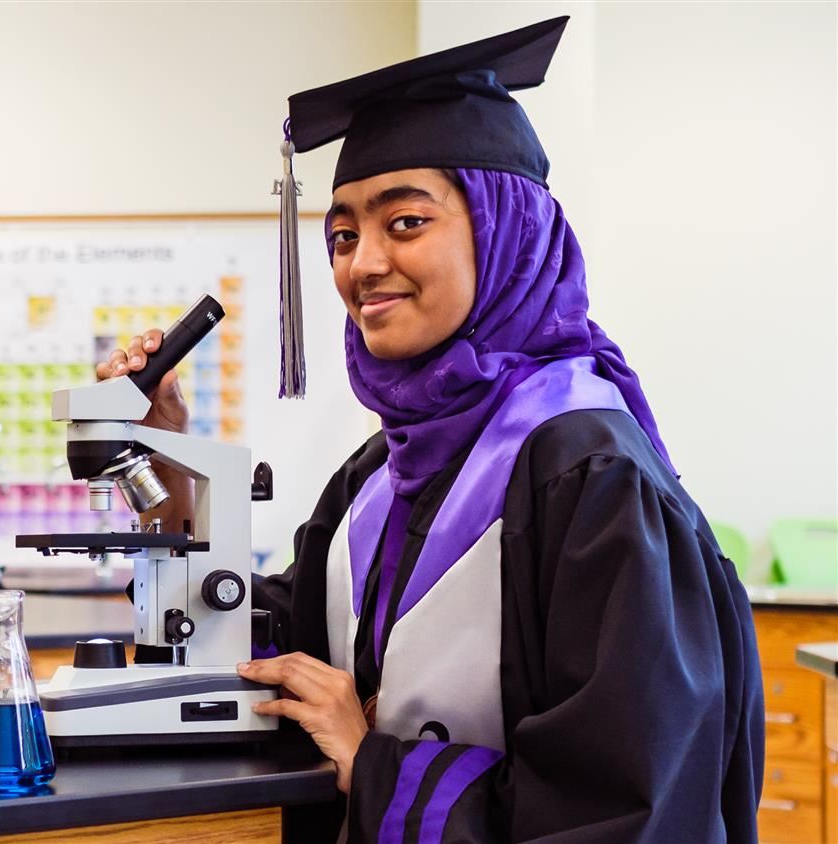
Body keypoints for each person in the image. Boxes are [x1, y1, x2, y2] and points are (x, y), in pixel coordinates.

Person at [96, 17, 763, 843]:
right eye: (342, 235)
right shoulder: (378, 474)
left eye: (404, 222)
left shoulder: (589, 475)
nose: (362, 263)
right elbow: (261, 657)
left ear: (506, 228)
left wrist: (373, 758)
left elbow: (630, 809)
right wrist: (170, 470)